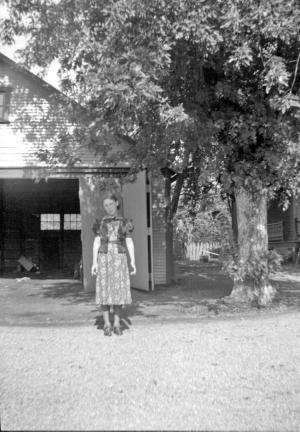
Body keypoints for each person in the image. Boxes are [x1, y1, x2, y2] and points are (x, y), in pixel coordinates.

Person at [91, 194, 136, 336]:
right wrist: (94, 262)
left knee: (117, 291)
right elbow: (97, 242)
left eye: (110, 204)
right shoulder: (100, 221)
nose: (108, 207)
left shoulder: (124, 222)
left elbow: (128, 241)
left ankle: (117, 323)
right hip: (103, 258)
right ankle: (106, 324)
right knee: (104, 290)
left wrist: (133, 261)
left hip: (119, 258)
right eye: (105, 205)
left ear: (116, 203)